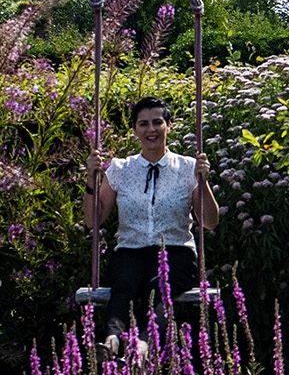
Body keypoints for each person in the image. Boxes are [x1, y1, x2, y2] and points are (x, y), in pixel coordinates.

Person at [85, 95, 220, 356]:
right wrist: (91, 180)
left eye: (157, 122)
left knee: (161, 288)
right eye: (143, 124)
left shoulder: (188, 168)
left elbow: (210, 222)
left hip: (176, 250)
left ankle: (142, 345)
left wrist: (203, 182)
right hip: (130, 250)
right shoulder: (120, 169)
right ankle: (112, 341)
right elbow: (93, 220)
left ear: (169, 125)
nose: (151, 130)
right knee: (124, 286)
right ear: (134, 130)